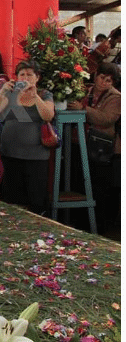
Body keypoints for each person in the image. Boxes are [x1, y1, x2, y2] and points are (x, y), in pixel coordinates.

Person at [0, 60, 55, 215]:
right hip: (10, 153)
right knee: (12, 199)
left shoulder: (44, 94)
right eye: (22, 74)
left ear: (37, 77)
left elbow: (48, 116)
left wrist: (35, 97)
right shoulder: (10, 92)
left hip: (36, 156)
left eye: (29, 74)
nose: (25, 78)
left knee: (36, 200)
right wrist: (2, 91)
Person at [67, 62, 121, 233]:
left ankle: (98, 229)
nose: (104, 83)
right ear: (96, 75)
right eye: (102, 78)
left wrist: (84, 109)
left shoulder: (116, 97)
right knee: (78, 185)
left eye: (109, 81)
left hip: (100, 149)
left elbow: (106, 119)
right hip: (78, 143)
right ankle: (78, 224)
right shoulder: (85, 90)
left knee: (98, 189)